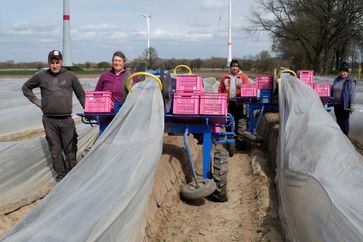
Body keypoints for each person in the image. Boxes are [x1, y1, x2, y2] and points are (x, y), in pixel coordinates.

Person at [22, 50, 85, 181]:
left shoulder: (70, 76)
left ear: (61, 62)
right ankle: (61, 177)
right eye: (52, 62)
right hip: (49, 120)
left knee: (70, 149)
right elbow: (26, 87)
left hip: (67, 119)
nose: (55, 65)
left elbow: (81, 94)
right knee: (55, 150)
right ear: (48, 63)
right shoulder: (41, 75)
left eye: (57, 62)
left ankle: (72, 176)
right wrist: (37, 102)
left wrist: (88, 109)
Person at [218, 59, 250, 132]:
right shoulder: (225, 77)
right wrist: (220, 100)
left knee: (239, 121)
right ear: (230, 67)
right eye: (233, 66)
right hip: (228, 103)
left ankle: (237, 138)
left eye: (236, 66)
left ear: (239, 67)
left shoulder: (243, 76)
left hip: (239, 103)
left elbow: (247, 88)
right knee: (228, 120)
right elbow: (220, 89)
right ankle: (229, 137)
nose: (234, 68)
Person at [331, 62, 356, 136]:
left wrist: (352, 104)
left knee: (344, 122)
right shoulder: (337, 79)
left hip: (345, 105)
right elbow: (333, 89)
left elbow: (352, 94)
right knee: (338, 121)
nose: (342, 73)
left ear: (347, 72)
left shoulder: (350, 81)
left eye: (344, 71)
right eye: (341, 71)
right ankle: (340, 137)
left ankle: (345, 138)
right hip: (336, 104)